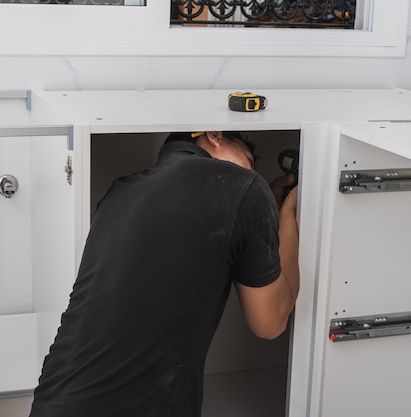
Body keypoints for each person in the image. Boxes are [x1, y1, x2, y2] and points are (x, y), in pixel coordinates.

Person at [29, 131, 300, 417]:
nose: (253, 171)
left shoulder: (119, 191)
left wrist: (262, 214)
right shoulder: (243, 185)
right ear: (215, 135)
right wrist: (287, 213)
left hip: (53, 401)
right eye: (250, 160)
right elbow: (270, 322)